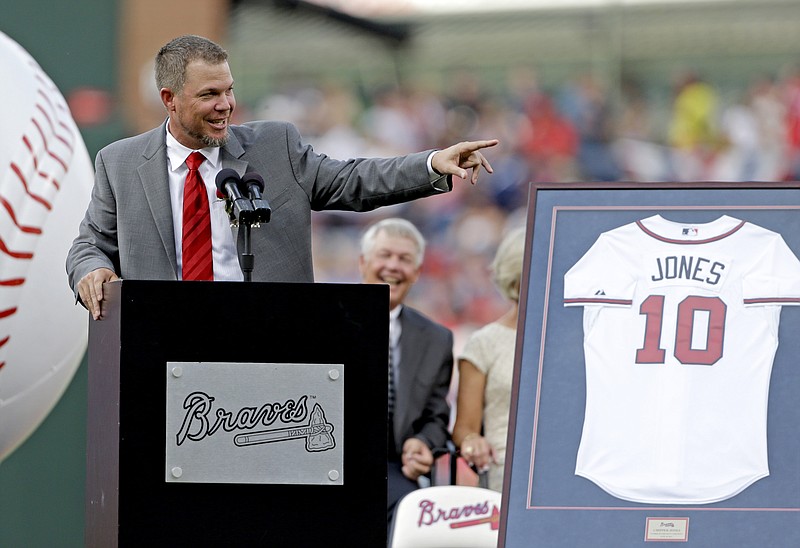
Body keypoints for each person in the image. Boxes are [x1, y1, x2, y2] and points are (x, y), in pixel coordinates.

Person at [66, 34, 498, 319]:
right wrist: (93, 270)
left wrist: (431, 164)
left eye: (229, 89)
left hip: (269, 345)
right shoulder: (119, 163)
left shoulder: (274, 147)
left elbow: (351, 180)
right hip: (162, 347)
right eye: (210, 94)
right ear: (169, 100)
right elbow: (89, 245)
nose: (226, 104)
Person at [358, 218, 453, 522]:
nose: (393, 266)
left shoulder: (437, 338)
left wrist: (423, 443)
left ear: (417, 272)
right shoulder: (326, 321)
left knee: (409, 514)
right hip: (333, 462)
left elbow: (436, 416)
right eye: (384, 255)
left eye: (404, 259)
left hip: (394, 469)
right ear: (364, 262)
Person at [451, 226, 525, 492]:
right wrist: (473, 441)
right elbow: (464, 428)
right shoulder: (485, 342)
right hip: (504, 476)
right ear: (516, 279)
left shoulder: (575, 340)